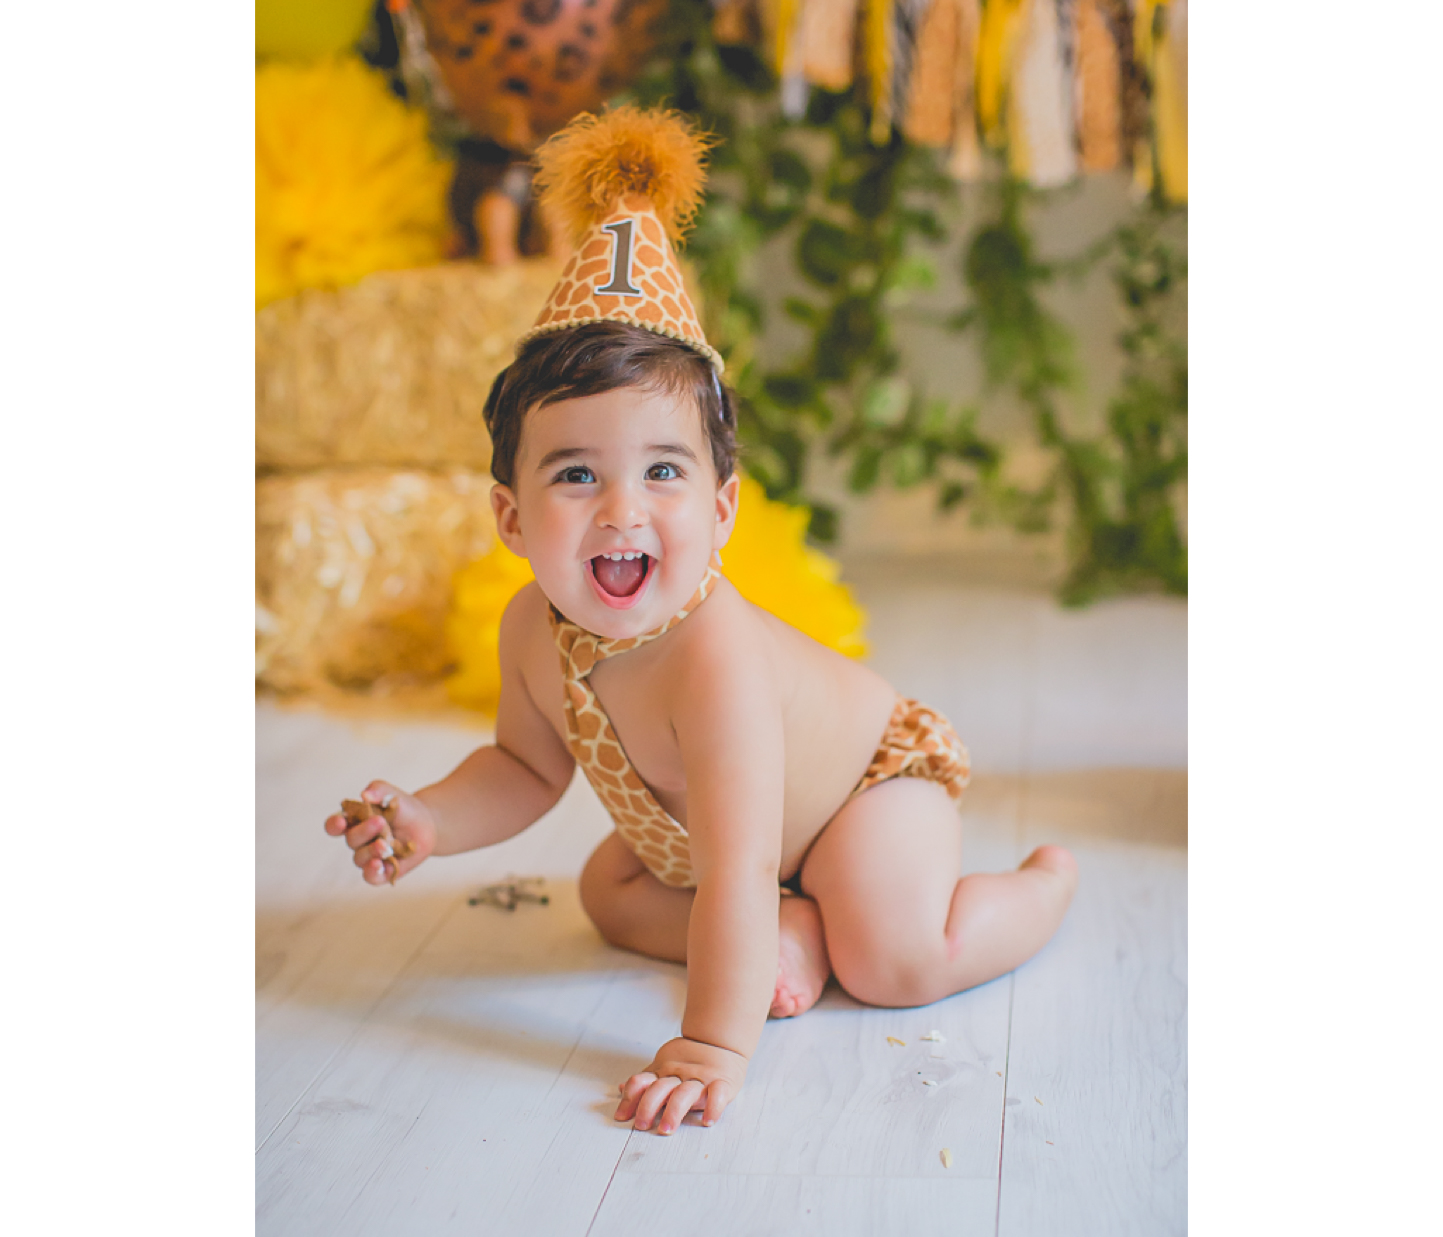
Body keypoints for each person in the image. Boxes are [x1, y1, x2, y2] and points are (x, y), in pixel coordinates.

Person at [324, 106, 1078, 1138]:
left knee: (892, 961)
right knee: (607, 891)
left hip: (861, 795)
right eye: (576, 474)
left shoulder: (714, 659)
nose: (621, 509)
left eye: (663, 472)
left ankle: (1035, 892)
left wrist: (713, 1043)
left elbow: (734, 865)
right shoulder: (529, 628)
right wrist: (431, 819)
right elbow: (524, 767)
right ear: (511, 517)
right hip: (728, 851)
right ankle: (789, 930)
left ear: (721, 510)